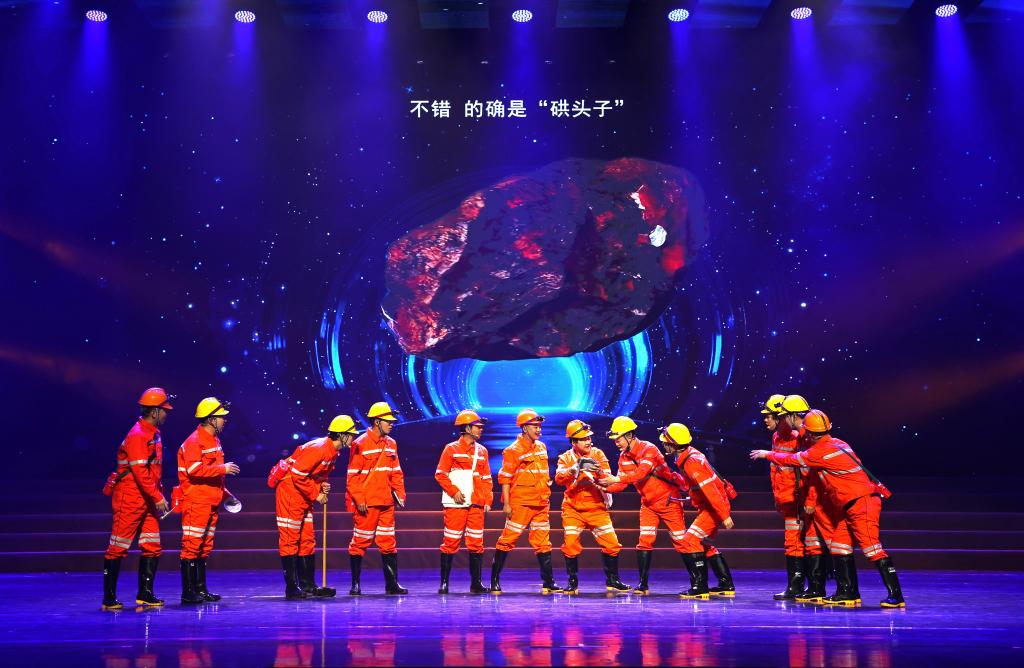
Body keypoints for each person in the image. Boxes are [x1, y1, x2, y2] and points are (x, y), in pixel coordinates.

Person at [750, 409, 905, 608]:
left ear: (810, 433)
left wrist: (767, 454)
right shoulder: (839, 443)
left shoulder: (820, 451)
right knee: (840, 546)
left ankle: (896, 595)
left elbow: (793, 460)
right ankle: (848, 593)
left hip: (862, 503)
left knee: (872, 549)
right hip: (849, 505)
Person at [101, 388, 174, 610]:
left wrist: (156, 494)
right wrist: (157, 496)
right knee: (118, 547)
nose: (166, 414)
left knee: (152, 546)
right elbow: (140, 472)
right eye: (164, 410)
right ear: (154, 411)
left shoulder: (153, 433)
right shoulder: (138, 435)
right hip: (131, 497)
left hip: (147, 498)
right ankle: (109, 598)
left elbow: (152, 471)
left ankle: (145, 594)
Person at [597, 416, 686, 594]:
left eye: (618, 438)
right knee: (644, 542)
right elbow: (621, 484)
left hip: (668, 501)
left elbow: (640, 473)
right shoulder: (623, 457)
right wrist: (602, 486)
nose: (616, 442)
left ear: (629, 435)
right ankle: (643, 585)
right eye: (614, 439)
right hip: (648, 504)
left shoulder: (649, 449)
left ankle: (699, 584)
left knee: (682, 542)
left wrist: (616, 479)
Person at [273, 415, 359, 599]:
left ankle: (308, 585)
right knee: (290, 540)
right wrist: (316, 494)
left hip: (303, 494)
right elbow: (297, 474)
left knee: (307, 539)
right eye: (351, 434)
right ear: (342, 435)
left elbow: (315, 474)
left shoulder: (332, 452)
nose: (353, 437)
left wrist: (321, 485)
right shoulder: (319, 448)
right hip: (290, 493)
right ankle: (292, 588)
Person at [658, 423, 736, 599]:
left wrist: (724, 515)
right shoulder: (689, 455)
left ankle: (700, 587)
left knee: (690, 541)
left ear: (674, 444)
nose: (663, 444)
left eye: (665, 442)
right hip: (711, 507)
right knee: (704, 544)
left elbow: (711, 490)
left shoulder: (691, 462)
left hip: (713, 508)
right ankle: (726, 584)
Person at [490, 409, 564, 594]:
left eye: (539, 426)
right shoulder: (512, 450)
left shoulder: (542, 447)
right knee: (508, 540)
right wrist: (506, 504)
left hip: (541, 502)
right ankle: (494, 581)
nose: (539, 430)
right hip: (521, 503)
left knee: (543, 542)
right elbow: (505, 479)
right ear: (524, 428)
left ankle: (549, 582)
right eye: (534, 426)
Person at [554, 419, 630, 594]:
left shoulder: (598, 454)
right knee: (570, 544)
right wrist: (574, 469)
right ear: (573, 442)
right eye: (583, 439)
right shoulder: (566, 458)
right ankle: (572, 582)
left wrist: (597, 472)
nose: (588, 441)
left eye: (589, 437)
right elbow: (558, 479)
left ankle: (613, 580)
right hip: (572, 509)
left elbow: (608, 479)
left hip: (596, 507)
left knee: (612, 544)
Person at [177, 397, 241, 604]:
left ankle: (201, 589)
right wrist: (223, 468)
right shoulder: (194, 441)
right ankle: (188, 593)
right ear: (211, 419)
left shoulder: (214, 440)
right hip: (197, 501)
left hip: (210, 501)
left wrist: (226, 494)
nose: (224, 420)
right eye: (221, 417)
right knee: (192, 545)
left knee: (204, 546)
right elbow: (194, 470)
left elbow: (213, 476)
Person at [764, 394, 825, 600]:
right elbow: (776, 471)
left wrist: (810, 500)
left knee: (811, 541)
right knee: (793, 542)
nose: (767, 420)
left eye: (771, 416)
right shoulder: (776, 438)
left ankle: (815, 587)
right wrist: (778, 497)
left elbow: (812, 472)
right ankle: (797, 586)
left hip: (803, 498)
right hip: (789, 499)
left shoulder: (802, 438)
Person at [346, 402, 408, 595]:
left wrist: (400, 494)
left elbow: (396, 472)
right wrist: (359, 499)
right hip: (367, 504)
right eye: (388, 421)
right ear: (377, 421)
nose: (392, 424)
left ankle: (392, 584)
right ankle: (355, 585)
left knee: (388, 543)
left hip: (386, 503)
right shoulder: (360, 443)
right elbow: (352, 476)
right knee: (360, 542)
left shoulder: (392, 443)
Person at [434, 409, 494, 594]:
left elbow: (486, 478)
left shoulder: (482, 451)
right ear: (467, 428)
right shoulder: (451, 449)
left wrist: (487, 499)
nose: (481, 429)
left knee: (476, 543)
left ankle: (476, 583)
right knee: (451, 541)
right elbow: (440, 474)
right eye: (477, 426)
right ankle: (444, 583)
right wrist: (454, 492)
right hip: (457, 504)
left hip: (476, 503)